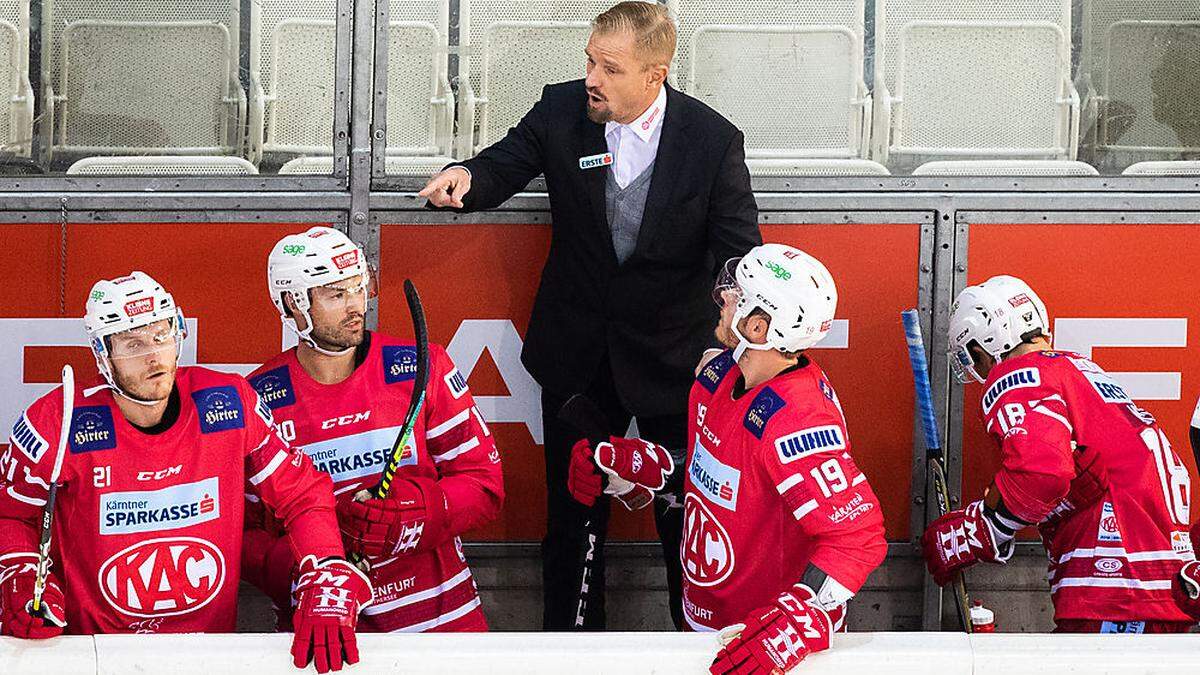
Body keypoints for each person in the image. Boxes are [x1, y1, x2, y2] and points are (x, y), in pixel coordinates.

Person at [419, 1, 761, 630]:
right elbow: (504, 161)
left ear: (655, 74)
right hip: (577, 357)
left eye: (609, 67)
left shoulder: (712, 140)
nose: (592, 78)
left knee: (684, 522)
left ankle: (695, 645)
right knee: (572, 523)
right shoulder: (561, 109)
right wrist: (465, 176)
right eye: (589, 60)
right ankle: (568, 651)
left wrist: (736, 331)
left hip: (674, 362)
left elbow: (740, 253)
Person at [0, 271, 370, 674]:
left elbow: (301, 494)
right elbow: (10, 515)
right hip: (95, 659)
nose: (153, 356)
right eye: (133, 343)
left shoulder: (229, 403)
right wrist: (19, 574)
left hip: (208, 657)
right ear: (102, 354)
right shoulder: (58, 420)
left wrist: (326, 571)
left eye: (161, 335)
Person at [569, 244, 887, 673]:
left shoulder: (799, 420)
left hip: (763, 646)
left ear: (758, 326)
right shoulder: (718, 375)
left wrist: (797, 620)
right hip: (704, 620)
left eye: (737, 294)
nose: (722, 299)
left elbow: (857, 536)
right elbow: (714, 475)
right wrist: (635, 470)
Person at [241, 227, 504, 634]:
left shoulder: (422, 366)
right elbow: (241, 532)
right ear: (293, 303)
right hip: (330, 634)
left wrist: (419, 512)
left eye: (359, 288)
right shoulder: (256, 399)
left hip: (443, 627)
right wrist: (314, 563)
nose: (355, 306)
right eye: (335, 294)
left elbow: (485, 485)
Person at [923, 275, 1200, 632]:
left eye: (972, 358)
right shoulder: (1078, 370)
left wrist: (979, 530)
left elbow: (1043, 474)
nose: (978, 371)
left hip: (1115, 589)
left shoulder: (1018, 375)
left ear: (983, 344)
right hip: (1164, 585)